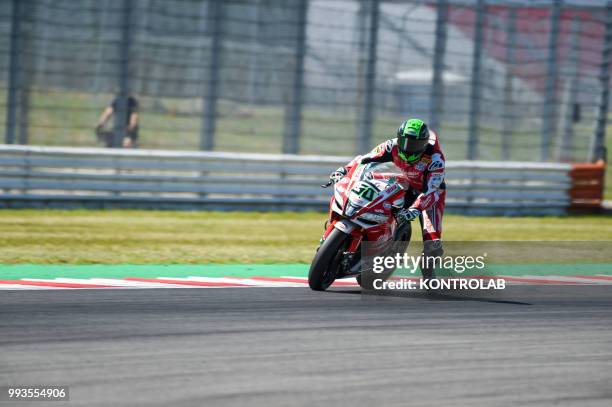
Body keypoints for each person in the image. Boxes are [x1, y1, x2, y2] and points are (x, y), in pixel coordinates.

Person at [328, 118, 446, 280]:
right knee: (364, 193)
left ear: (424, 144)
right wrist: (344, 170)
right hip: (401, 181)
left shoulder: (435, 159)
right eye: (404, 141)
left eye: (414, 144)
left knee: (433, 242)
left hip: (427, 194)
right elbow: (363, 160)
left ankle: (428, 271)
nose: (408, 148)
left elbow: (431, 191)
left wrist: (415, 209)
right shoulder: (391, 145)